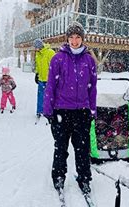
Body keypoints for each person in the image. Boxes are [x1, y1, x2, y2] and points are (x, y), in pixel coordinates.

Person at [43, 22, 98, 194]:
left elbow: (93, 87)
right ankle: (59, 176)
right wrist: (48, 109)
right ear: (67, 38)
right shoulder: (58, 59)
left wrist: (92, 110)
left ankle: (84, 178)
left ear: (82, 39)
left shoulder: (89, 60)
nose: (74, 41)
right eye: (72, 37)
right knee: (61, 147)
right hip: (62, 110)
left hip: (82, 111)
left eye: (78, 37)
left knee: (82, 148)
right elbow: (50, 85)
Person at [34, 38, 56, 119]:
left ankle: (50, 111)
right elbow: (38, 66)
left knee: (50, 96)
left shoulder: (50, 52)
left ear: (40, 46)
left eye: (36, 47)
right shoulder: (38, 54)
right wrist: (37, 74)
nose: (36, 49)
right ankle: (40, 111)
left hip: (49, 79)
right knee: (40, 95)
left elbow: (55, 65)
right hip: (41, 79)